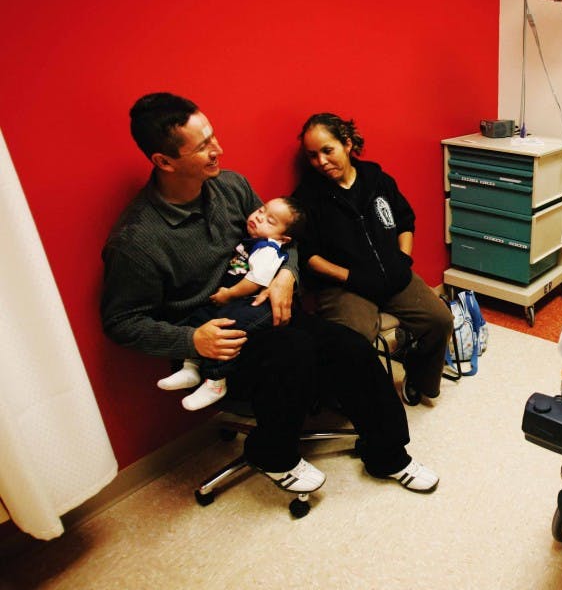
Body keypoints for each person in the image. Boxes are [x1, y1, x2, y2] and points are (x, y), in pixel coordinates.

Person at [101, 93, 438, 494]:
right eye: (204, 146)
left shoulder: (231, 186)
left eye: (214, 136)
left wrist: (286, 276)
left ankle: (389, 456)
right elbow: (121, 323)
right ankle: (272, 452)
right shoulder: (137, 240)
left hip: (272, 316)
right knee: (294, 352)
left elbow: (285, 238)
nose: (218, 150)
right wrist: (192, 339)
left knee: (352, 348)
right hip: (220, 342)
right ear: (164, 161)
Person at [293, 113, 453, 406]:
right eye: (312, 155)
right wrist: (350, 277)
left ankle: (418, 377)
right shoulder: (308, 197)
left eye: (328, 150)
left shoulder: (377, 179)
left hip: (392, 273)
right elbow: (308, 256)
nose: (321, 161)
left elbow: (405, 221)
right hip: (344, 285)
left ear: (347, 144)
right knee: (355, 340)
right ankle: (367, 406)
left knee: (440, 319)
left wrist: (402, 259)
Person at [157, 197, 305, 411]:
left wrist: (228, 294)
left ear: (283, 238)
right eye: (261, 210)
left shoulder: (269, 249)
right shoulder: (252, 240)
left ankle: (216, 382)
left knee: (228, 330)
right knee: (200, 318)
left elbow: (255, 281)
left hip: (255, 304)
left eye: (270, 221)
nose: (259, 217)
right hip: (236, 299)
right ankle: (191, 367)